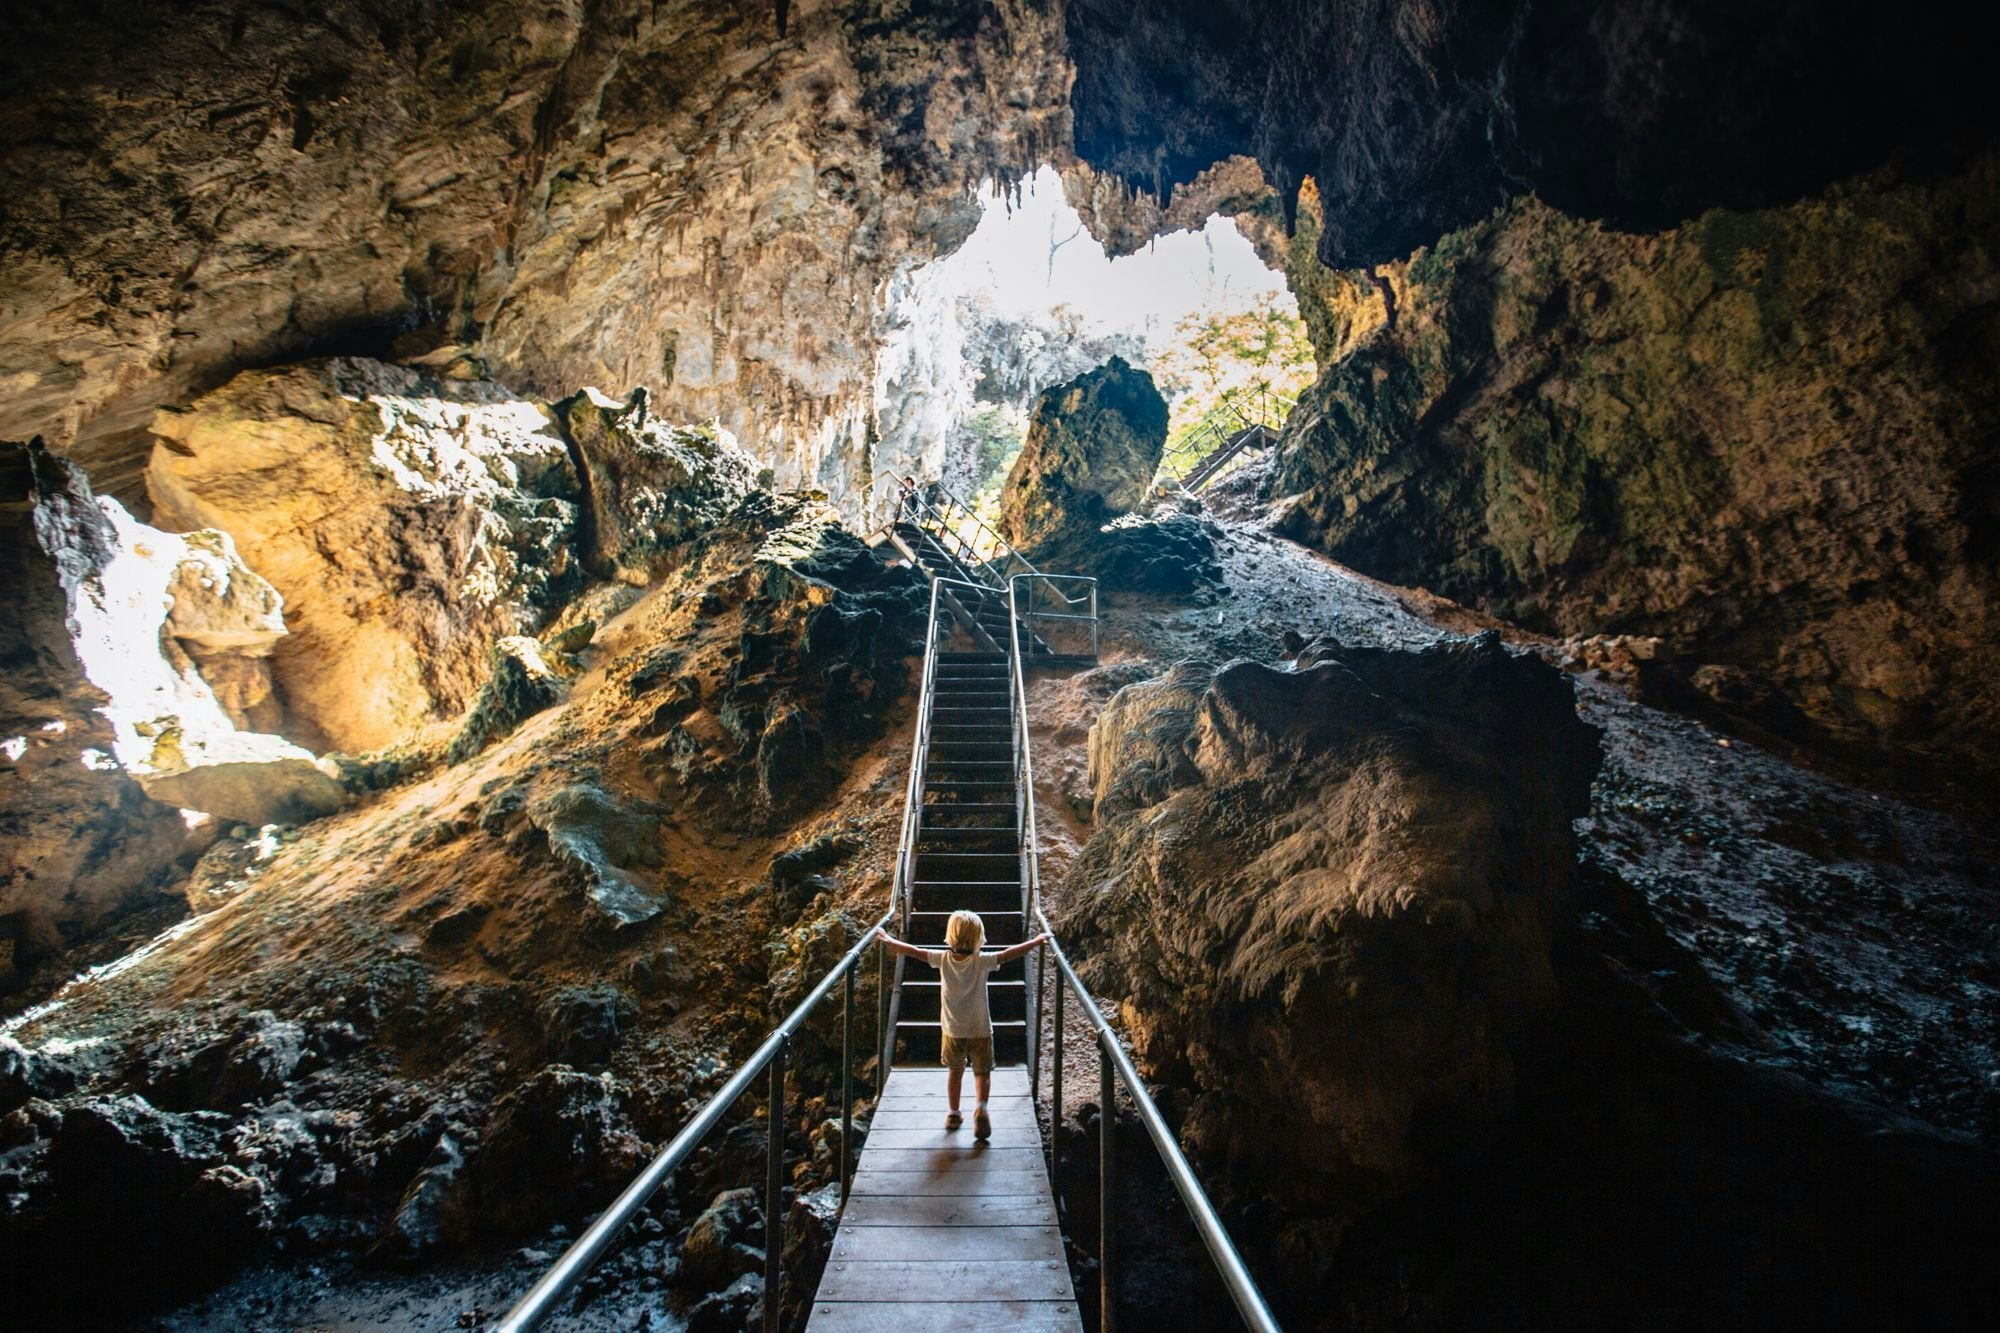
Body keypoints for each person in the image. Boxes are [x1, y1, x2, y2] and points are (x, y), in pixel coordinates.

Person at [877, 912, 1050, 1138]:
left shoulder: (942, 959)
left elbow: (915, 952)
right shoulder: (982, 961)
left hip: (952, 1030)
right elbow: (1008, 955)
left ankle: (954, 1113)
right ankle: (981, 1107)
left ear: (950, 935)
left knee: (954, 1071)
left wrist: (891, 941)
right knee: (982, 1073)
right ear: (979, 937)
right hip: (980, 1029)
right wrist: (1036, 941)